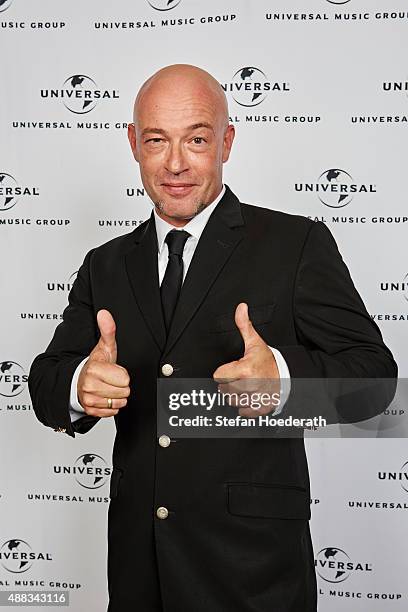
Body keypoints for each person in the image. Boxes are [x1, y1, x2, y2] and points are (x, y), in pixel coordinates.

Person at [28, 64, 397, 612]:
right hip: (139, 578)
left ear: (226, 141)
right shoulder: (104, 265)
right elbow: (44, 383)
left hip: (254, 578)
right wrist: (80, 385)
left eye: (196, 139)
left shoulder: (295, 244)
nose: (175, 163)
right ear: (133, 144)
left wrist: (287, 383)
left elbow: (376, 383)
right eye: (157, 141)